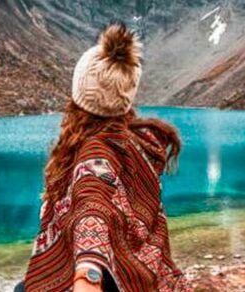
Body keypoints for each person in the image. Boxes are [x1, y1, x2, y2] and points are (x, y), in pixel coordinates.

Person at [20, 23, 189, 292]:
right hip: (139, 276)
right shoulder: (135, 144)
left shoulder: (94, 152)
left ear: (79, 97)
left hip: (108, 280)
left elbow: (92, 206)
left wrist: (87, 278)